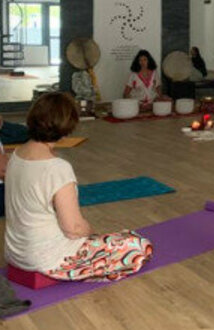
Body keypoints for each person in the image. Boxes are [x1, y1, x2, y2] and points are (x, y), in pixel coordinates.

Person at [4, 92, 153, 281]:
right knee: (139, 244)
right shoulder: (57, 168)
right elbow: (73, 229)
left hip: (15, 254)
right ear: (66, 127)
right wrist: (91, 234)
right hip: (47, 258)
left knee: (113, 238)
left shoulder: (16, 155)